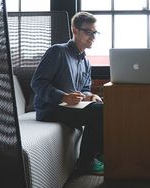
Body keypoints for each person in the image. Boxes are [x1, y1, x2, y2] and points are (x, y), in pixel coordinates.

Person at [31, 12, 104, 175]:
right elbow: (37, 83)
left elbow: (85, 88)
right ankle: (86, 162)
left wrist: (90, 96)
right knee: (101, 111)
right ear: (75, 31)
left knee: (107, 105)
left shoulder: (86, 61)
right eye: (89, 32)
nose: (93, 36)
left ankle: (100, 153)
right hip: (51, 108)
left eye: (95, 32)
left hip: (72, 107)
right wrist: (63, 97)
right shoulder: (57, 51)